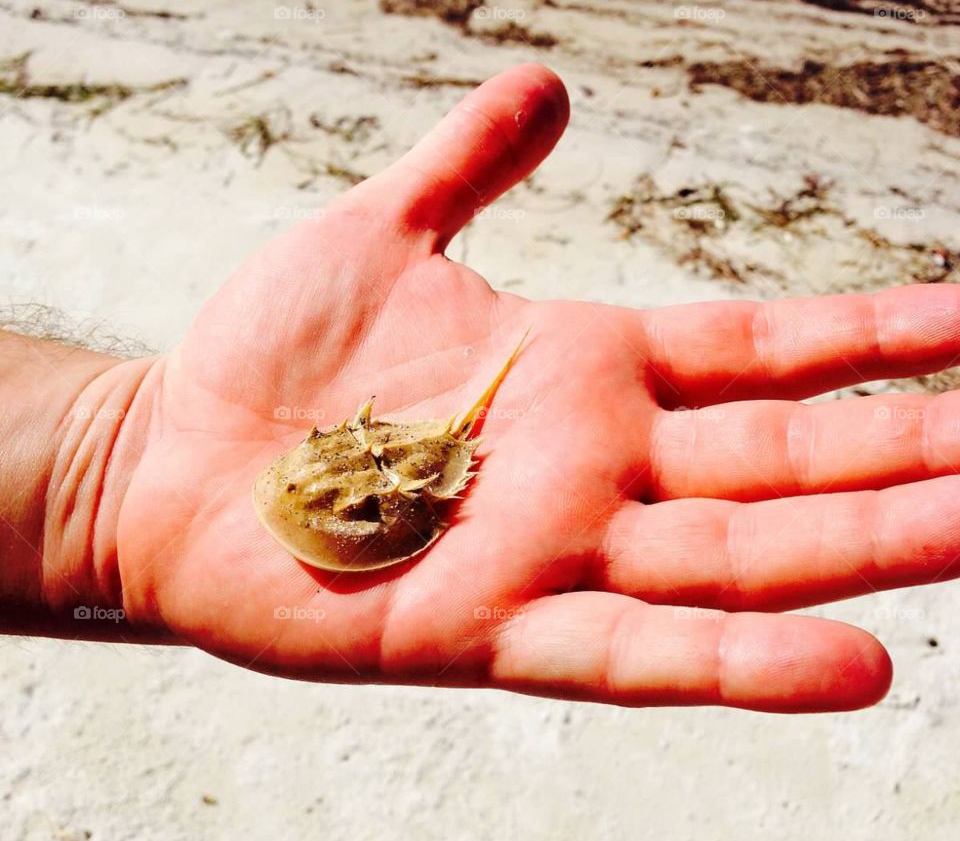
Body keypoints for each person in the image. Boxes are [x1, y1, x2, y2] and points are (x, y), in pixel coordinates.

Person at [2, 64, 958, 713]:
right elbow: (334, 477)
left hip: (393, 462)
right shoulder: (313, 474)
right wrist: (112, 472)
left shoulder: (407, 470)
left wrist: (109, 464)